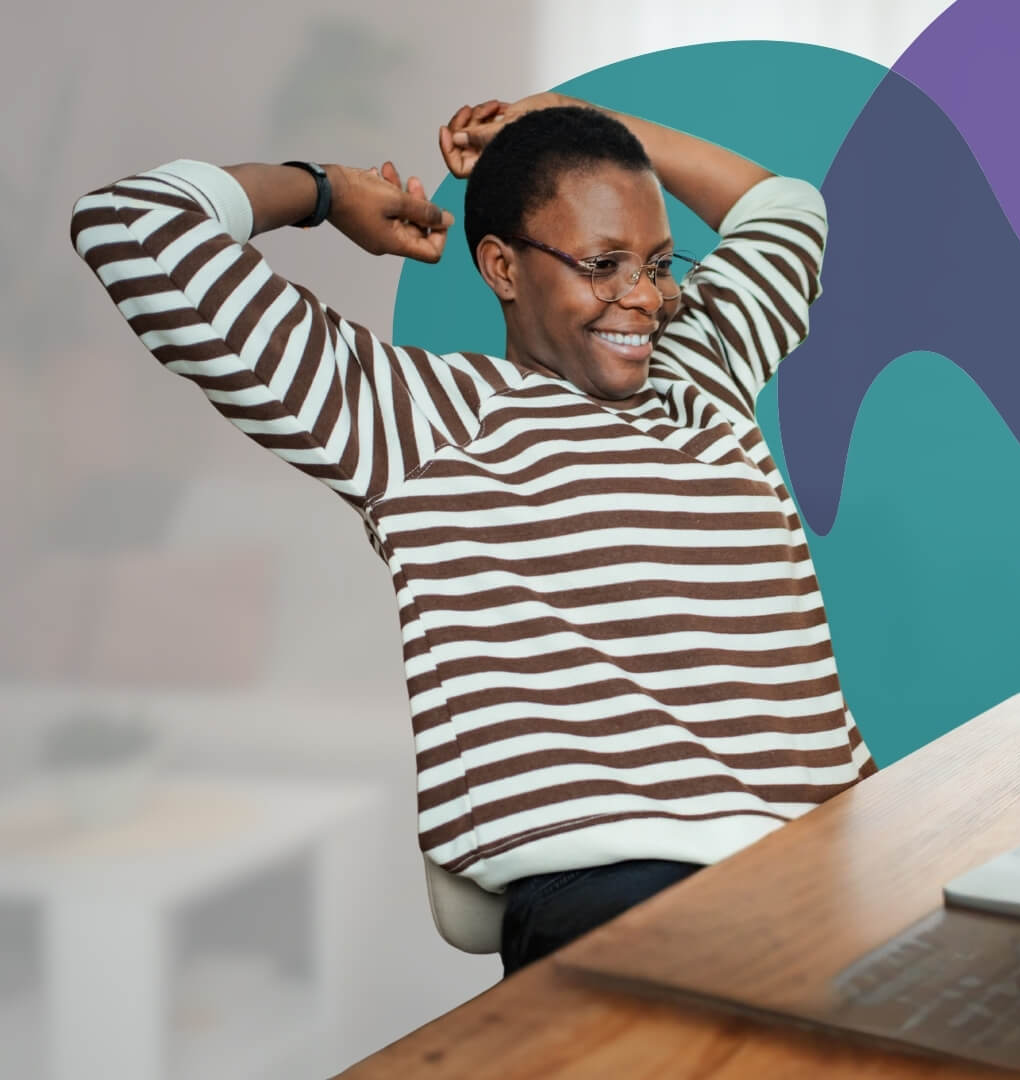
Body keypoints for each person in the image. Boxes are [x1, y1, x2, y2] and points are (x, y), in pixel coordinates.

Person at [70, 92, 876, 975]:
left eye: (656, 262)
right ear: (500, 266)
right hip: (629, 896)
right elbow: (132, 225)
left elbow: (784, 208)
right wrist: (326, 192)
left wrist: (581, 125)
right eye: (603, 263)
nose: (643, 299)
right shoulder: (414, 420)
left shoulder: (702, 369)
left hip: (841, 861)